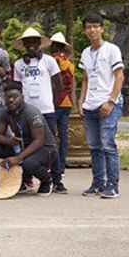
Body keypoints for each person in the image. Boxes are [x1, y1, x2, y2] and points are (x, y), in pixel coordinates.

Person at [12, 27, 65, 193]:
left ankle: (57, 179)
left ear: (40, 44)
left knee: (51, 146)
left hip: (46, 109)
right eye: (28, 42)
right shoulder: (19, 64)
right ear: (24, 45)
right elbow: (17, 88)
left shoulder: (49, 61)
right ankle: (27, 180)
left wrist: (51, 101)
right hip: (27, 111)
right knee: (27, 143)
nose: (31, 45)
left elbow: (59, 84)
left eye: (34, 42)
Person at [78, 13, 124, 199]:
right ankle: (97, 183)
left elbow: (119, 76)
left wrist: (111, 101)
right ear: (85, 30)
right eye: (89, 27)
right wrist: (81, 101)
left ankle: (113, 185)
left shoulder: (111, 49)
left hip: (108, 104)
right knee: (94, 146)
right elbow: (86, 79)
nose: (92, 30)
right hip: (90, 105)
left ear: (102, 28)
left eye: (96, 26)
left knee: (108, 145)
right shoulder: (85, 53)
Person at [0, 83, 60, 197]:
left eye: (15, 96)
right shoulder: (5, 112)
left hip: (44, 148)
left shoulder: (31, 112)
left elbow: (38, 141)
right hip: (22, 146)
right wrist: (9, 142)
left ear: (23, 98)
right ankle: (20, 181)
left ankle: (46, 179)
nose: (11, 100)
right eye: (7, 97)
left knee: (29, 163)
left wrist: (17, 158)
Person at [49, 32, 76, 179]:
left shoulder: (53, 59)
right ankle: (62, 166)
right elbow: (71, 83)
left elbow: (53, 81)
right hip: (67, 102)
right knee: (64, 135)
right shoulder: (70, 61)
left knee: (52, 135)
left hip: (56, 100)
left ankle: (54, 165)